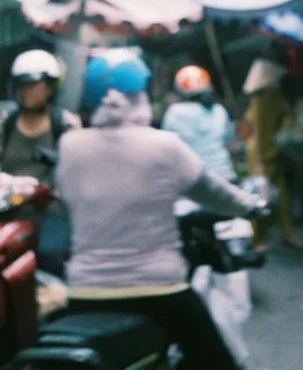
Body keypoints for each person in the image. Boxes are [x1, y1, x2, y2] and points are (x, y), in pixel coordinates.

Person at [56, 48, 265, 370]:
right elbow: (215, 193)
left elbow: (67, 198)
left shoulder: (69, 146)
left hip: (85, 292)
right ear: (140, 95)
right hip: (159, 289)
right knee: (217, 363)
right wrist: (252, 207)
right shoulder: (164, 145)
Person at [0, 49, 81, 276]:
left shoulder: (65, 124)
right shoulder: (6, 124)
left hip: (51, 213)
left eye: (35, 85)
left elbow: (78, 173)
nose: (28, 91)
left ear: (51, 87)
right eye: (23, 85)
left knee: (49, 253)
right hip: (10, 210)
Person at [240, 58, 302, 251]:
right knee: (263, 198)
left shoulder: (265, 101)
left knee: (276, 197)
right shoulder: (263, 102)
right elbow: (256, 133)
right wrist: (258, 160)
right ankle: (262, 238)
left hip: (268, 155)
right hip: (263, 156)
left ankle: (279, 235)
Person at [162, 65, 236, 181]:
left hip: (194, 179)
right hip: (225, 175)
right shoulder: (219, 110)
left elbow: (167, 146)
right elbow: (228, 141)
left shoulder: (175, 112)